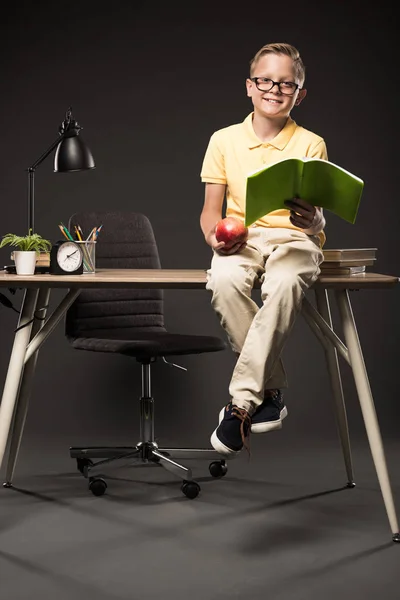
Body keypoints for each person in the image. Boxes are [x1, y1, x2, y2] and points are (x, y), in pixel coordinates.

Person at [199, 42, 327, 458]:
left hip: (293, 240)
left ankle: (241, 404)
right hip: (243, 238)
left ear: (299, 93)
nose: (275, 89)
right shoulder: (223, 140)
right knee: (223, 280)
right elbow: (209, 214)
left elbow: (317, 214)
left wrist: (314, 221)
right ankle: (270, 391)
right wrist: (215, 238)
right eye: (265, 80)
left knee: (286, 282)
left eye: (286, 84)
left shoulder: (311, 144)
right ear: (249, 87)